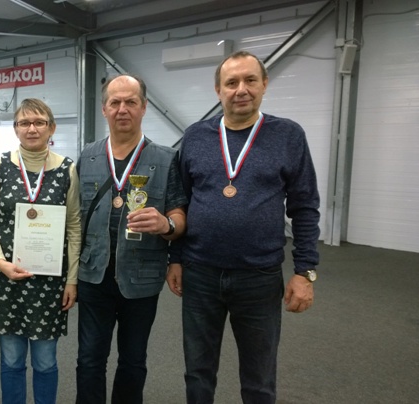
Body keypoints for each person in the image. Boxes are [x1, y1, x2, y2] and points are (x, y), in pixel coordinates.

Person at [166, 50, 320, 404]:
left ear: (264, 84)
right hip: (200, 273)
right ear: (218, 90)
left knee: (259, 377)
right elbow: (180, 202)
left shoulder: (288, 135)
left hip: (259, 276)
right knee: (198, 373)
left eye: (250, 80)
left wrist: (305, 271)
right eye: (231, 82)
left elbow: (305, 206)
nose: (241, 89)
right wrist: (175, 258)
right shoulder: (196, 136)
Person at [75, 74, 188, 403]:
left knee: (133, 361)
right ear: (104, 109)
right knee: (89, 360)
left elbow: (180, 217)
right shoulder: (88, 156)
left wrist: (166, 224)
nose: (122, 109)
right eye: (115, 102)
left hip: (142, 276)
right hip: (93, 274)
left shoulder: (167, 159)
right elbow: (73, 217)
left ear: (144, 107)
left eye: (130, 102)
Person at [0, 98, 81, 404]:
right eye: (24, 123)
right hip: (7, 278)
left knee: (46, 362)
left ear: (52, 128)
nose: (32, 128)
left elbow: (74, 226)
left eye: (39, 122)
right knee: (11, 361)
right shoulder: (0, 166)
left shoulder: (67, 169)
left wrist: (72, 279)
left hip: (49, 281)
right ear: (16, 129)